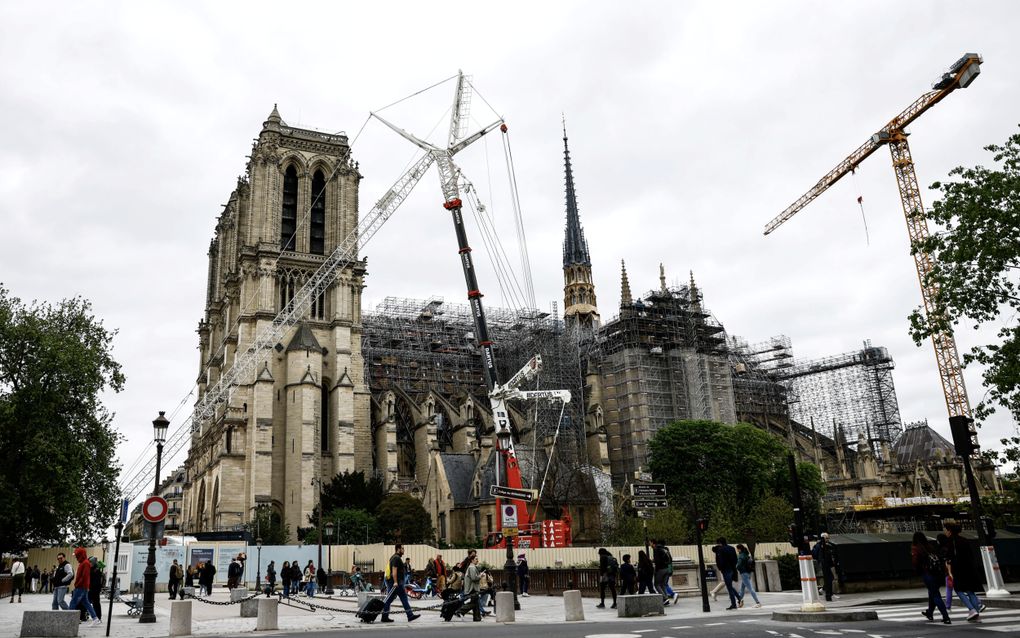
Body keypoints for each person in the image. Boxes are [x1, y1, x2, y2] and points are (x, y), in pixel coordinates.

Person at [944, 521, 984, 622]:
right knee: (970, 591)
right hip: (969, 568)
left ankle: (971, 609)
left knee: (959, 590)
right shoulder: (965, 540)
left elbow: (949, 557)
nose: (945, 531)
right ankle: (977, 615)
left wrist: (950, 572)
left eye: (946, 529)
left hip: (958, 569)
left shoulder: (950, 541)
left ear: (950, 531)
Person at [912, 531, 951, 625]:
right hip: (937, 573)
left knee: (935, 595)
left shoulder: (916, 548)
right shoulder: (930, 547)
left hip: (927, 574)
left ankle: (946, 617)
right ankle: (930, 612)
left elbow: (915, 562)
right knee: (932, 593)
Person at [380, 544, 420, 623]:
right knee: (403, 597)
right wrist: (395, 582)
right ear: (398, 549)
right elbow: (394, 570)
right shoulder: (396, 558)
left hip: (396, 582)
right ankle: (410, 615)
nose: (403, 550)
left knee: (390, 599)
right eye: (402, 548)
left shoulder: (394, 557)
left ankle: (385, 616)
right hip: (396, 583)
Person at [69, 548, 100, 625]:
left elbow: (84, 577)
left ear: (80, 555)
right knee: (86, 603)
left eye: (77, 555)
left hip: (81, 587)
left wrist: (77, 585)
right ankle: (95, 618)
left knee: (73, 603)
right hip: (83, 587)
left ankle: (69, 619)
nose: (76, 557)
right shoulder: (84, 562)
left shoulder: (85, 563)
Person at [811, 533, 841, 602]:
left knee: (830, 578)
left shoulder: (827, 545)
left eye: (828, 538)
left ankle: (827, 591)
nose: (828, 539)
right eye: (826, 538)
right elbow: (815, 554)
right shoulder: (819, 545)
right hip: (823, 564)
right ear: (822, 538)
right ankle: (828, 593)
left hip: (826, 564)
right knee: (829, 578)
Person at [714, 537, 741, 610]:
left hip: (726, 570)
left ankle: (734, 604)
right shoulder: (732, 548)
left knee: (729, 587)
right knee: (730, 586)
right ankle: (739, 598)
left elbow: (720, 561)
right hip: (732, 569)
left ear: (719, 543)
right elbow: (735, 559)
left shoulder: (720, 550)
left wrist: (721, 568)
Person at [735, 544, 761, 608]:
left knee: (750, 588)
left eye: (737, 549)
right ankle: (739, 600)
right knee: (742, 588)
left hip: (743, 573)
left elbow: (739, 565)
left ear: (739, 549)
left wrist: (736, 567)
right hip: (748, 572)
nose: (737, 550)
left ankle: (758, 602)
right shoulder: (746, 554)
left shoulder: (741, 555)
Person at [80, 557, 103, 622]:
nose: (89, 563)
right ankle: (84, 616)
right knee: (87, 602)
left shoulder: (96, 570)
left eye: (90, 562)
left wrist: (91, 588)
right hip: (90, 588)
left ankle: (98, 617)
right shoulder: (91, 569)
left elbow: (96, 581)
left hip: (94, 589)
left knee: (95, 603)